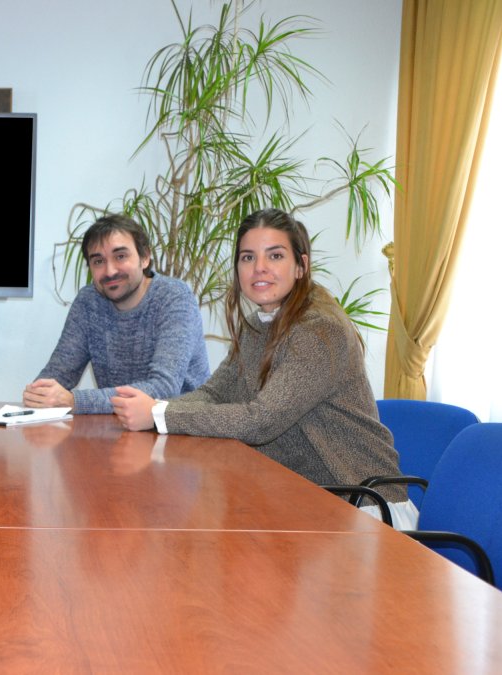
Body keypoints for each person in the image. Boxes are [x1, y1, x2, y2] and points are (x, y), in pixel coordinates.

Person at [110, 208, 413, 526]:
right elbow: (216, 393)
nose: (260, 269)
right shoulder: (259, 323)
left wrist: (160, 414)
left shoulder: (319, 329)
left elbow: (261, 421)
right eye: (248, 258)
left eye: (276, 255)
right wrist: (155, 411)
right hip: (302, 500)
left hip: (362, 508)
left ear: (301, 265)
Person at [24, 214, 210, 413]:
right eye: (98, 261)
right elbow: (56, 375)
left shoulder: (174, 297)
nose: (110, 271)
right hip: (118, 426)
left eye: (120, 256)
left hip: (182, 429)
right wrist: (40, 394)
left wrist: (75, 401)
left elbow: (164, 388)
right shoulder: (89, 302)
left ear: (144, 257)